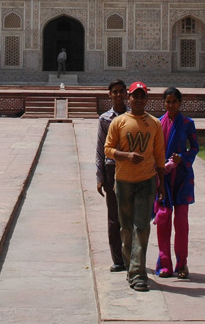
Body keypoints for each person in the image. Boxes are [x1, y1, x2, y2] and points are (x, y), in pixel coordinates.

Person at [104, 81, 165, 292]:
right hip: (123, 181)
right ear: (128, 98)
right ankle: (132, 266)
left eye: (142, 96)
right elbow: (107, 149)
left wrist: (161, 183)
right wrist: (126, 156)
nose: (138, 100)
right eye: (135, 96)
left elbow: (159, 155)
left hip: (147, 180)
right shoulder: (118, 122)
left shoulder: (155, 123)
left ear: (146, 99)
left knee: (142, 227)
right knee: (126, 228)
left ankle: (138, 274)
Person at [154, 87, 199, 279]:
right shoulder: (157, 124)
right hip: (164, 177)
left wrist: (182, 157)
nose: (171, 105)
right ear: (163, 103)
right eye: (168, 102)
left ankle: (182, 263)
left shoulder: (188, 123)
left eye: (174, 102)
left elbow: (195, 147)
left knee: (181, 222)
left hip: (181, 177)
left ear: (180, 103)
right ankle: (165, 264)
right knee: (163, 220)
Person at [96, 79, 128, 273]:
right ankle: (118, 259)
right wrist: (99, 176)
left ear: (125, 94)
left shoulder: (135, 116)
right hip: (111, 170)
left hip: (131, 170)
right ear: (109, 94)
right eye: (114, 92)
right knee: (114, 217)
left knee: (131, 218)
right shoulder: (105, 119)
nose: (117, 95)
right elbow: (100, 149)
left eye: (120, 91)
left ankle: (132, 256)